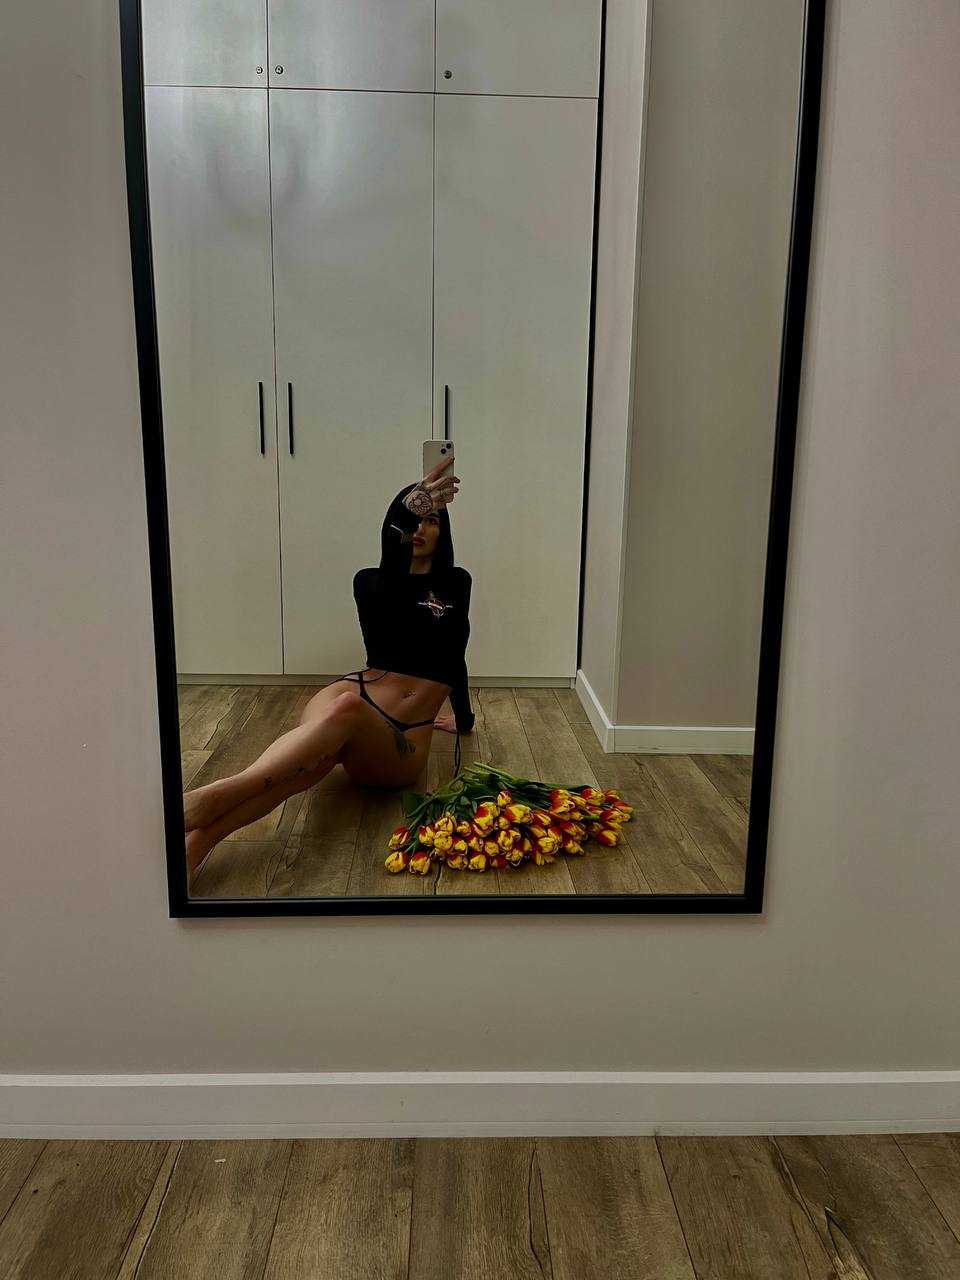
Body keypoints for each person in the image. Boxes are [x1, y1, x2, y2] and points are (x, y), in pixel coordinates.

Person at [182, 459, 474, 883]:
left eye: (432, 520)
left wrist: (464, 718)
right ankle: (200, 840)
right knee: (314, 760)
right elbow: (395, 572)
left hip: (399, 736)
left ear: (443, 532)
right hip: (354, 693)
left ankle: (214, 799)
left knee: (329, 735)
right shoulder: (371, 583)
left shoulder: (456, 584)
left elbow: (455, 656)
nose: (420, 529)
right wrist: (408, 508)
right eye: (415, 518)